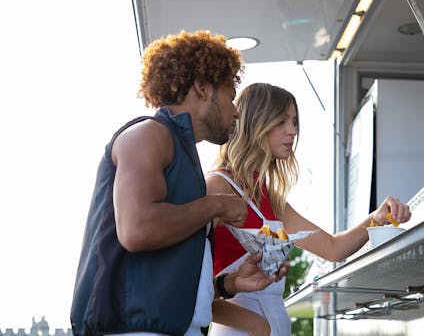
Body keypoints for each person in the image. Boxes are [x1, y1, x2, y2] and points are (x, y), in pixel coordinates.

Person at [70, 31, 288, 336]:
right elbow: (138, 229)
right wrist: (217, 205)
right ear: (201, 87)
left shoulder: (181, 153)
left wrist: (229, 284)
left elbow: (167, 273)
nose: (236, 110)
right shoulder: (147, 135)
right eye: (230, 94)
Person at [206, 83, 412, 336]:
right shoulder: (217, 186)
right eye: (282, 121)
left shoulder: (271, 198)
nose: (293, 131)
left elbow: (333, 249)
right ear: (255, 123)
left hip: (274, 326)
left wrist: (376, 218)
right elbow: (189, 287)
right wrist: (254, 324)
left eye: (294, 122)